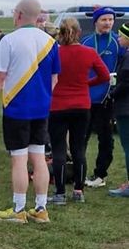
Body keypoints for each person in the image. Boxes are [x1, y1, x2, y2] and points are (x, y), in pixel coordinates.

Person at [0, 0, 60, 223]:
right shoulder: (51, 43)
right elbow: (55, 79)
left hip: (17, 109)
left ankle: (18, 210)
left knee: (18, 159)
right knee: (38, 157)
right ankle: (41, 208)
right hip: (41, 109)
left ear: (18, 15)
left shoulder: (9, 41)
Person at [46, 17, 109, 205]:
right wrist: (87, 84)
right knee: (78, 148)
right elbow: (105, 75)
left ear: (60, 34)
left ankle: (59, 193)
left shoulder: (54, 54)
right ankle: (79, 190)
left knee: (58, 149)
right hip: (81, 105)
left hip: (57, 105)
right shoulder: (89, 53)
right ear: (79, 33)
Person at [82, 7, 120, 187]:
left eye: (110, 20)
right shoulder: (86, 42)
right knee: (81, 137)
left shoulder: (118, 43)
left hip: (107, 98)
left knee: (106, 138)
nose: (108, 23)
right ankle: (77, 172)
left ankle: (100, 175)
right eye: (104, 19)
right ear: (96, 21)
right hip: (85, 97)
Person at [108, 20, 129, 198]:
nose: (118, 38)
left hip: (126, 109)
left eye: (121, 35)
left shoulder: (128, 58)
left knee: (128, 147)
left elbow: (126, 83)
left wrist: (112, 93)